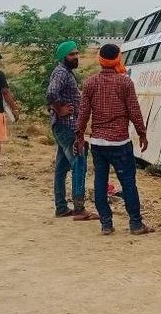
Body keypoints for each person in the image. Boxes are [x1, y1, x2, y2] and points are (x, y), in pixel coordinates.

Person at [75, 44, 153, 236]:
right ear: (118, 59)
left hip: (98, 143)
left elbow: (83, 113)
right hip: (119, 142)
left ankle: (106, 224)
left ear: (100, 60)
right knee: (128, 182)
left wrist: (79, 136)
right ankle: (135, 224)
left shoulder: (91, 83)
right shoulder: (125, 83)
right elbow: (134, 111)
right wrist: (142, 133)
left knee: (100, 182)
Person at [46, 40, 98, 220]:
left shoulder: (65, 72)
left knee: (61, 167)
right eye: (71, 54)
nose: (76, 57)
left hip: (64, 126)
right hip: (66, 126)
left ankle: (61, 207)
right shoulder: (61, 73)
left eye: (77, 53)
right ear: (63, 57)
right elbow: (51, 93)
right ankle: (79, 208)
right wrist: (59, 109)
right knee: (79, 163)